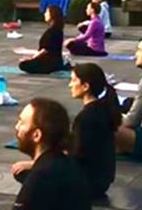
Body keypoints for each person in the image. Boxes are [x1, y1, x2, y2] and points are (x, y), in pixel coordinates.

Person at [12, 64, 121, 199]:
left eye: (74, 80)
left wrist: (34, 164)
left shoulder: (86, 117)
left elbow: (75, 156)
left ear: (85, 86)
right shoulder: (101, 109)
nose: (70, 85)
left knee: (25, 174)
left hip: (89, 183)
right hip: (101, 180)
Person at [18, 5, 67, 74]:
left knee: (23, 65)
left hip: (50, 62)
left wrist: (32, 58)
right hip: (52, 60)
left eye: (47, 12)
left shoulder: (53, 31)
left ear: (52, 15)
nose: (45, 14)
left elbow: (45, 50)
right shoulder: (55, 29)